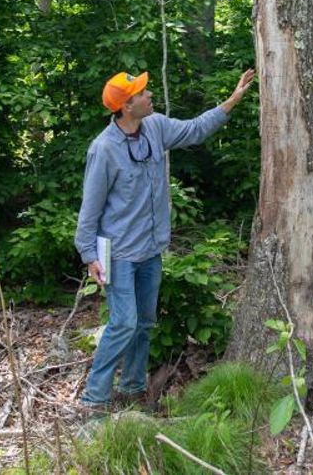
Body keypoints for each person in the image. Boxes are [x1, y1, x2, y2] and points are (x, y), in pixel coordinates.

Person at [74, 68, 255, 411]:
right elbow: (90, 208)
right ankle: (93, 399)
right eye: (143, 93)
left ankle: (131, 388)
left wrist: (233, 99)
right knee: (123, 322)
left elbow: (195, 130)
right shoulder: (103, 149)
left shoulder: (155, 126)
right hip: (119, 253)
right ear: (127, 106)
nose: (150, 95)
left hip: (151, 249)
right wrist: (89, 255)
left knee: (143, 322)